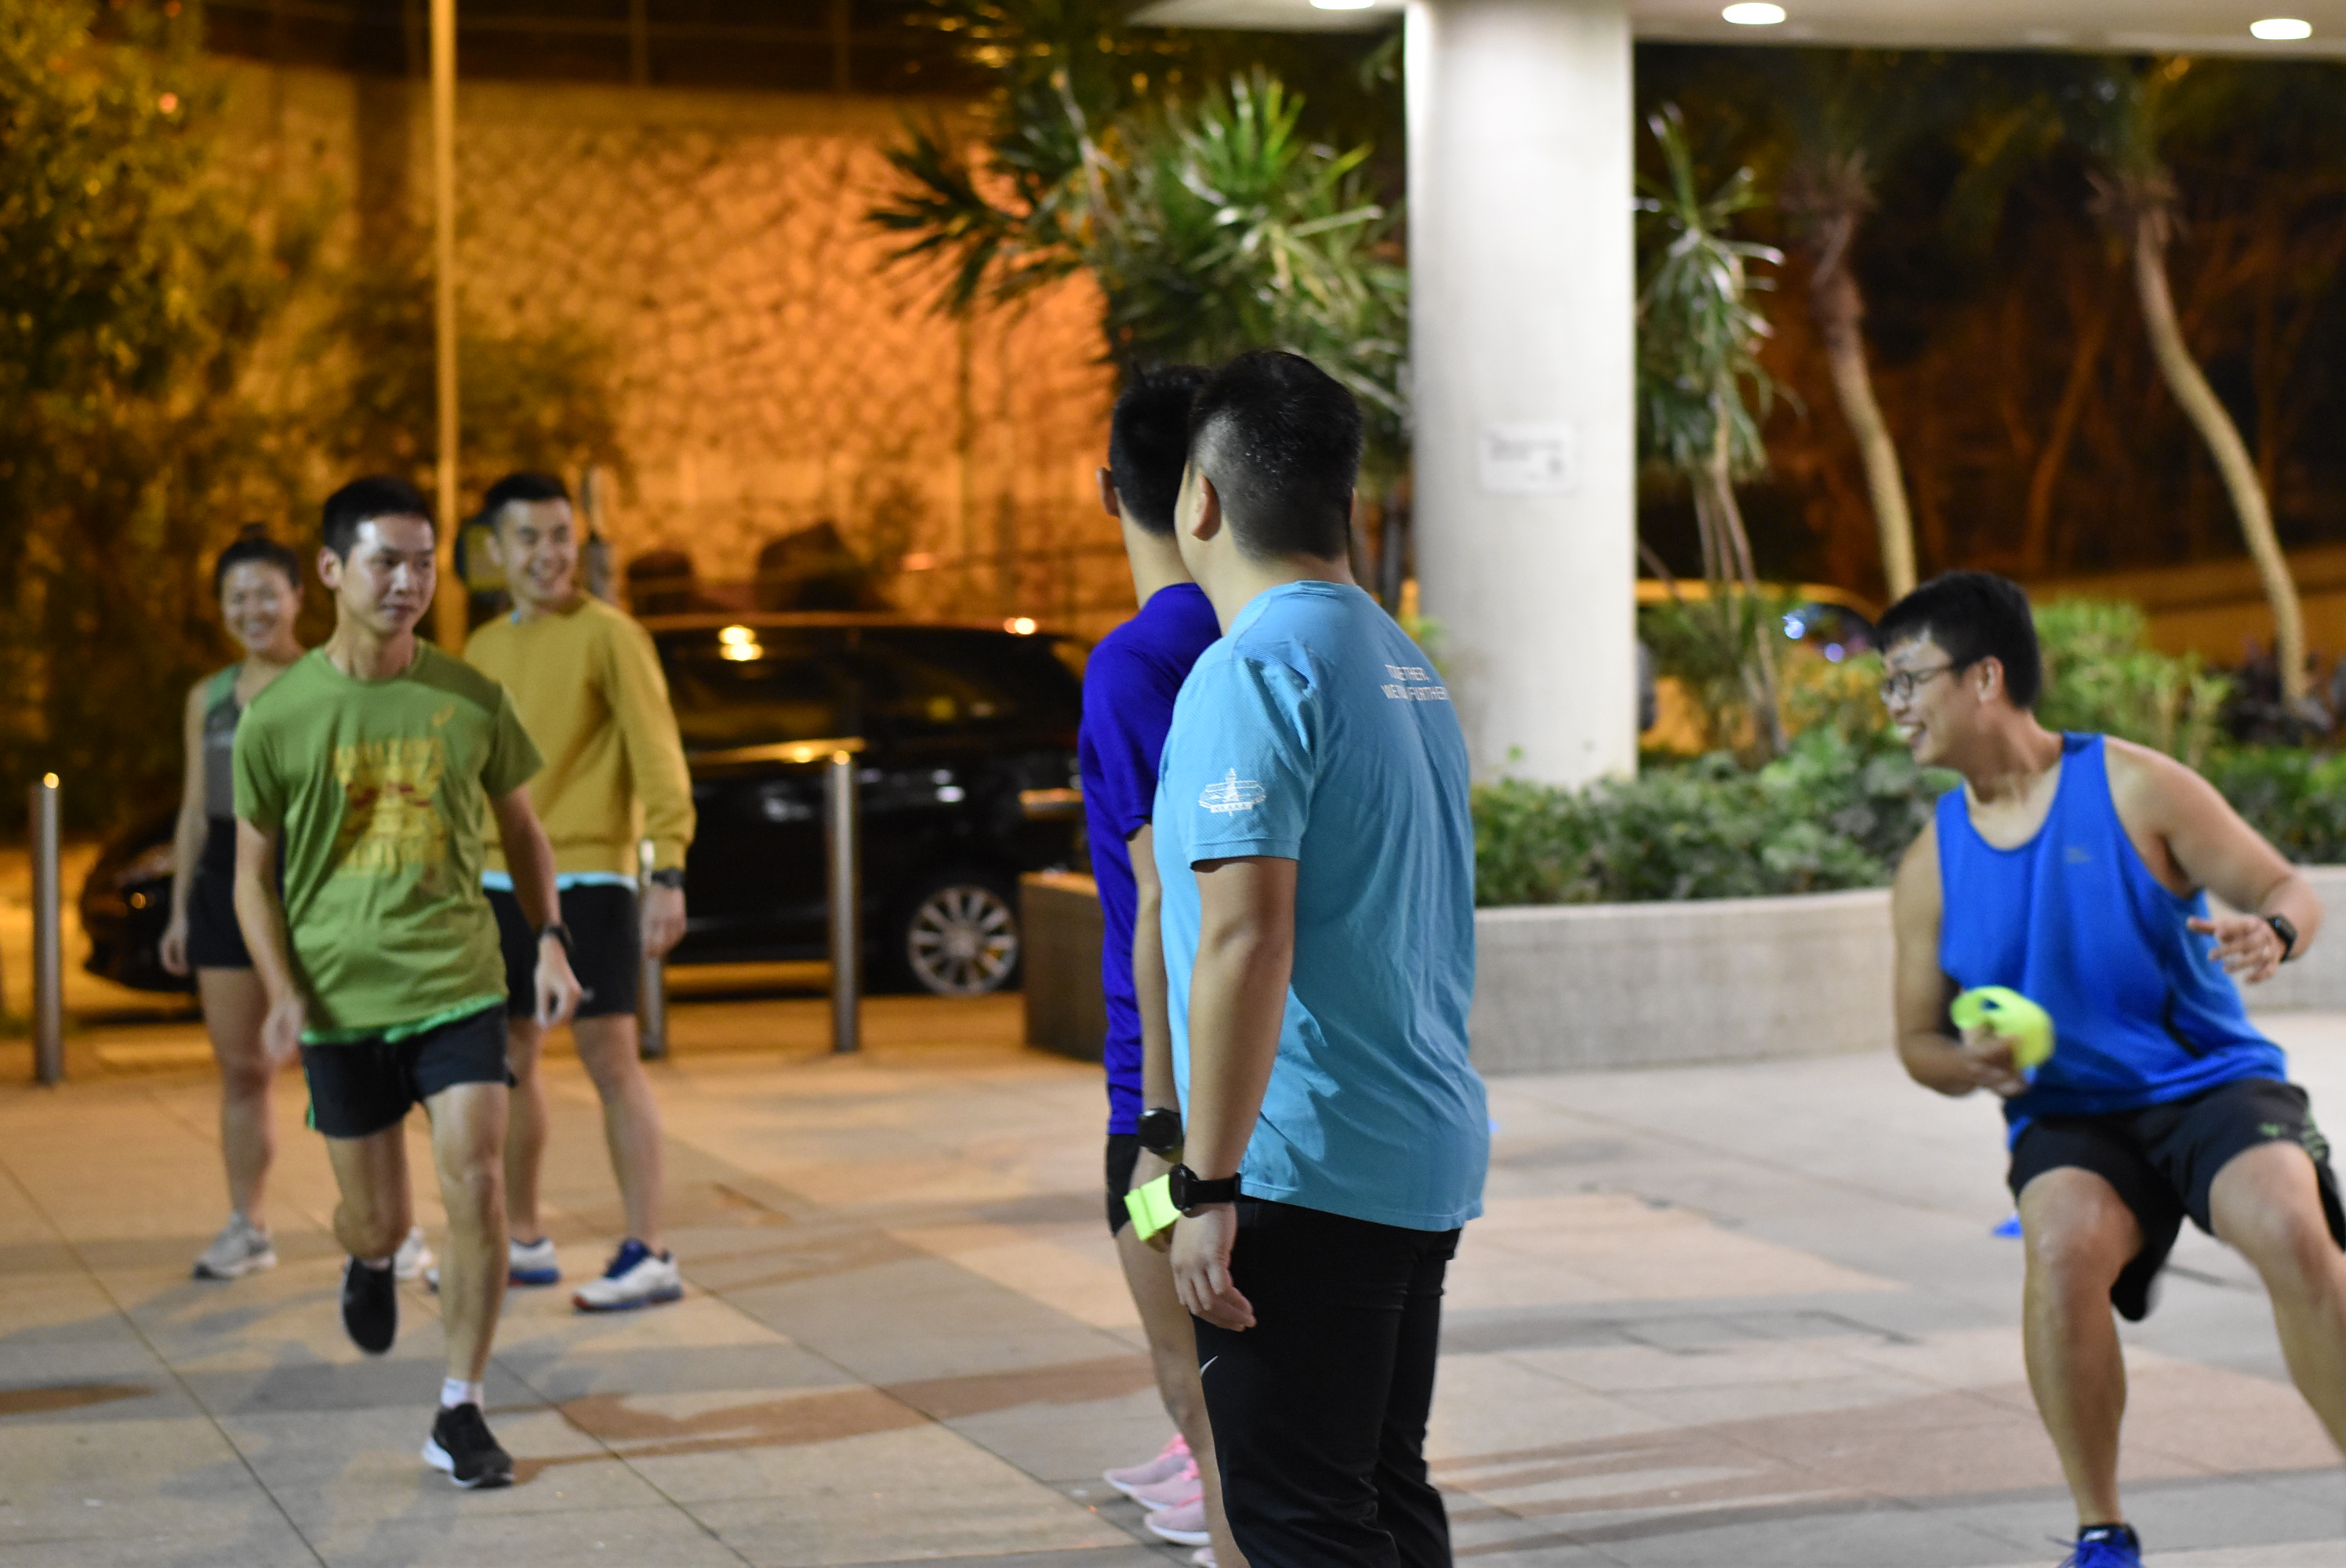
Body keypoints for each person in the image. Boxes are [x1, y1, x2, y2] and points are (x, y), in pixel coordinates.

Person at [1885, 572, 2344, 1568]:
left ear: (1983, 678)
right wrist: (1967, 1063)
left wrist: (2272, 931)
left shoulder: (2134, 785)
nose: (1895, 706)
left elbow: (2283, 884)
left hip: (2210, 1083)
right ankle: (2102, 1531)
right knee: (2058, 1252)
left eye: (1908, 679)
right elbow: (1915, 1041)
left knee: (2292, 1230)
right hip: (2070, 1114)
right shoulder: (1931, 862)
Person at [1155, 350, 1489, 1567]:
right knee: (1380, 1498)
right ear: (1344, 498)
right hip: (1410, 1149)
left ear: (1201, 498)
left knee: (1302, 1523)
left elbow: (1248, 936)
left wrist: (1204, 1186)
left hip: (1301, 1172)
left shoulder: (1252, 671)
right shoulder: (1401, 663)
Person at [233, 474, 580, 1490]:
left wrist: (550, 937)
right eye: (386, 561)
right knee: (377, 1215)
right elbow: (252, 876)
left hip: (457, 980)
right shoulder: (278, 716)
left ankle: (459, 1409)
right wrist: (282, 988)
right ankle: (374, 1254)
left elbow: (523, 829)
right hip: (340, 1002)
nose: (408, 581)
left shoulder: (468, 697)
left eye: (424, 563)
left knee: (476, 1177)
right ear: (332, 569)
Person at [1079, 367, 1244, 1567]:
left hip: (1162, 1087)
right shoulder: (1250, 634)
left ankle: (1214, 1496)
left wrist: (1158, 1120)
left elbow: (1157, 891)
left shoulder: (1135, 661)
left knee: (1189, 1357)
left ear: (1112, 490)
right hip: (1243, 1060)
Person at [463, 470, 696, 1312]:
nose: (548, 553)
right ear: (496, 550)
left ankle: (650, 1249)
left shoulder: (612, 636)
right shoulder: (483, 649)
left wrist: (666, 868)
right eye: (528, 537)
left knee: (609, 1060)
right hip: (497, 880)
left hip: (592, 876)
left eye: (561, 535)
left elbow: (657, 756)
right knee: (509, 1061)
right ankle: (524, 1239)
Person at [166, 529, 307, 1279]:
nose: (252, 609)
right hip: (225, 876)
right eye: (237, 597)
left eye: (266, 594)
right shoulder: (209, 698)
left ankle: (391, 1229)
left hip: (307, 872)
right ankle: (247, 1226)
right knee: (242, 1068)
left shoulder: (327, 680)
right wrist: (181, 910)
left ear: (298, 598)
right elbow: (196, 809)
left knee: (342, 1061)